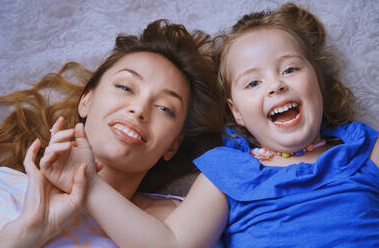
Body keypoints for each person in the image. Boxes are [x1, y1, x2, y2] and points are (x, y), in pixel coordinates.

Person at [39, 2, 379, 247]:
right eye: (252, 83)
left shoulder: (363, 150)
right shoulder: (227, 172)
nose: (276, 85)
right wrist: (91, 185)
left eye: (289, 69)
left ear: (317, 83)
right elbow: (171, 243)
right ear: (237, 113)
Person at [0, 19, 225, 247]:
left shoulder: (182, 221)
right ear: (86, 100)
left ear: (172, 145)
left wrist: (90, 184)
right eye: (125, 88)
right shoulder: (3, 185)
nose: (139, 109)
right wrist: (25, 233)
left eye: (164, 108)